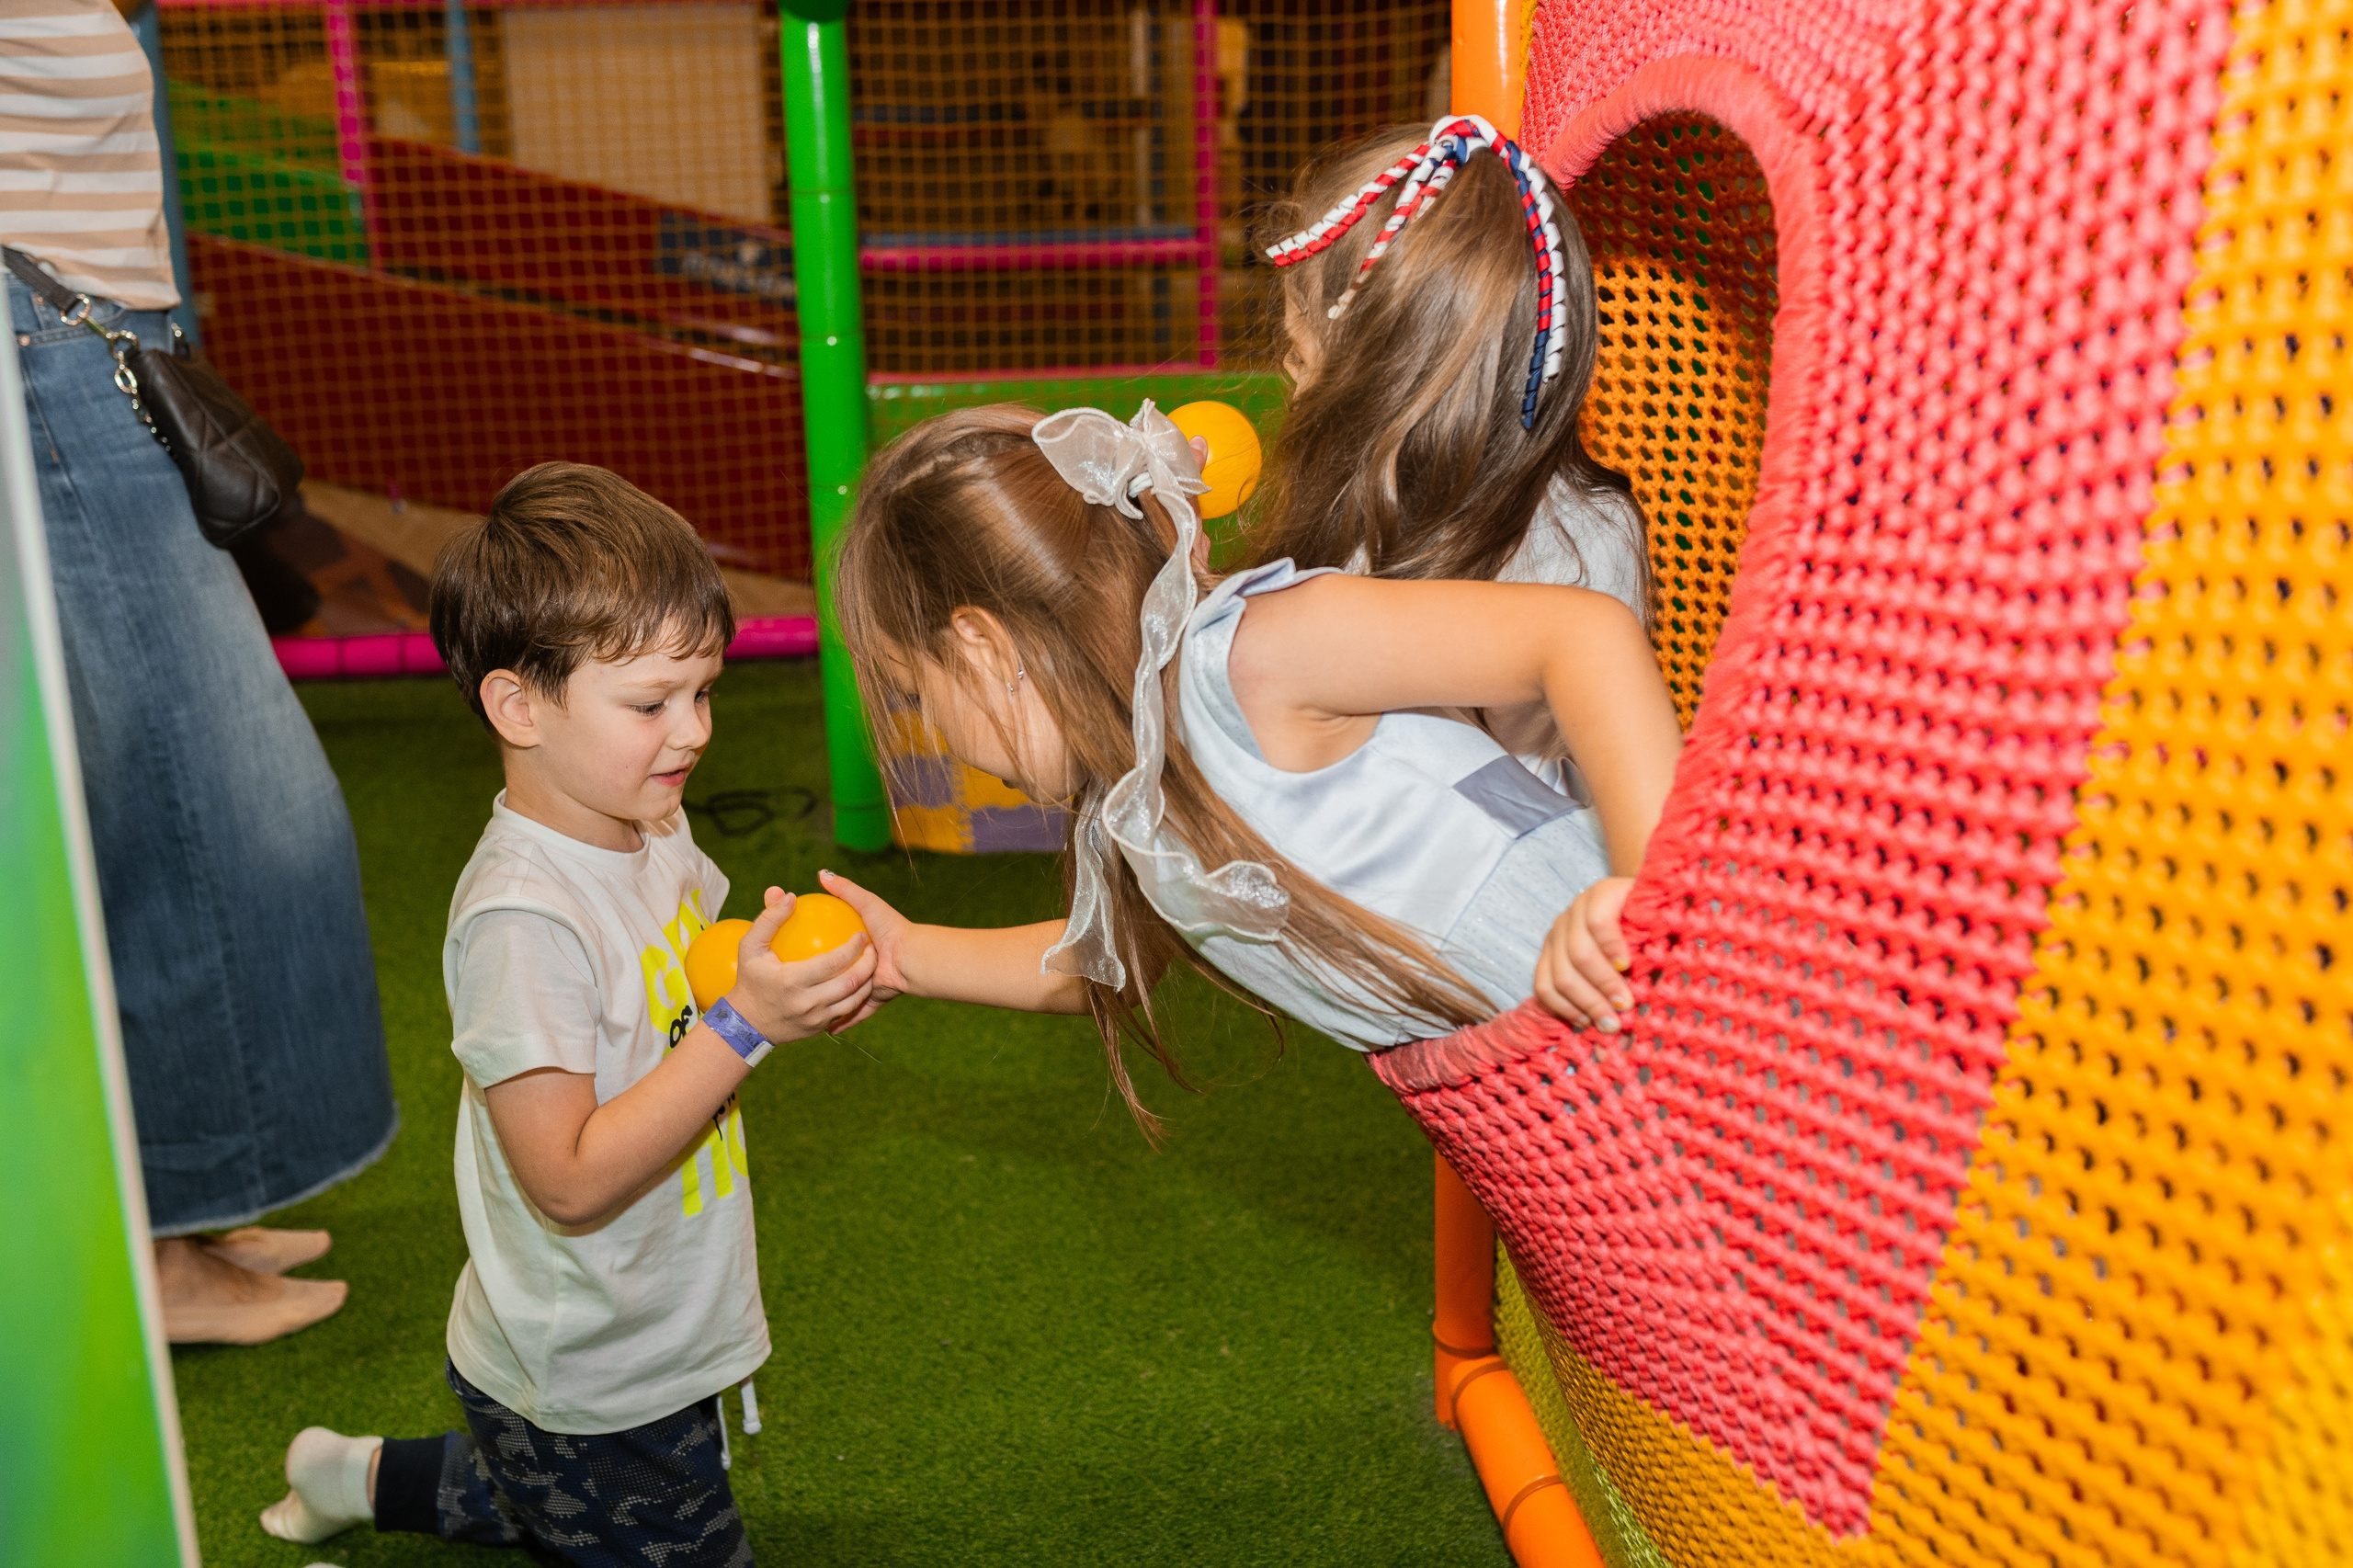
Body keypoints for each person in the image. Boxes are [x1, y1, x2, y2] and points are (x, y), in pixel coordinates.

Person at [258, 464, 875, 1566]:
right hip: (590, 1362)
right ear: (516, 704)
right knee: (590, 1491)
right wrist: (743, 1027)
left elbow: (683, 980)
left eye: (704, 690)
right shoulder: (521, 921)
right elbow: (570, 1178)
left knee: (542, 1492)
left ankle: (345, 1472)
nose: (692, 731)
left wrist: (772, 979)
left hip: (645, 1314)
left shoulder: (649, 822)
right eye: (650, 702)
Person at [802, 392, 1683, 1127]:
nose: (937, 738)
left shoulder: (1250, 658)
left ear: (987, 648)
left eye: (917, 696)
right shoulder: (1143, 790)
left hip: (1677, 1013)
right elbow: (1104, 959)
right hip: (1579, 1095)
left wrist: (1646, 901)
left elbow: (1579, 634)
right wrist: (905, 957)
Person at [4, 0, 392, 1343]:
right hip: (42, 341)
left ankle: (190, 1191)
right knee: (206, 799)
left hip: (89, 330)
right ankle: (158, 1240)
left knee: (162, 798)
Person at [1247, 115, 1651, 800]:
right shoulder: (1376, 496)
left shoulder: (1567, 548)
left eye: (1301, 355)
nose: (1293, 382)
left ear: (1386, 383)